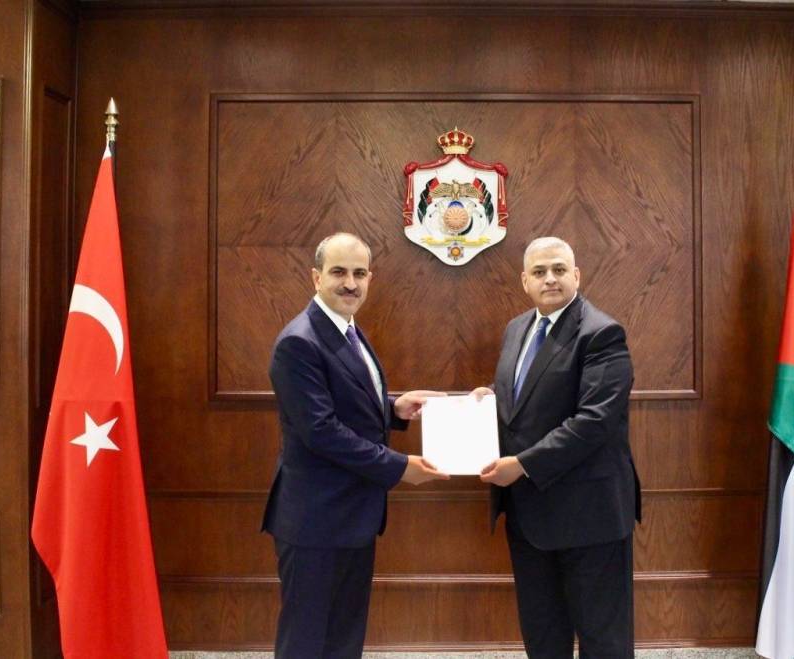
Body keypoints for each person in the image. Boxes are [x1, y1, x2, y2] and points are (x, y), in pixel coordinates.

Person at [262, 232, 448, 658]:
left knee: (343, 638)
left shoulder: (346, 328)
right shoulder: (299, 341)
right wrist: (399, 467)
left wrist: (394, 408)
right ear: (316, 277)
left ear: (370, 278)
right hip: (315, 519)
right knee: (307, 641)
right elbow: (321, 430)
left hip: (350, 514)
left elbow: (347, 402)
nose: (350, 283)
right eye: (339, 272)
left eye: (359, 274)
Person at [473, 236, 641, 659]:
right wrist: (491, 399)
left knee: (603, 639)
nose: (550, 278)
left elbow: (594, 421)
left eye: (559, 270)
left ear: (576, 275)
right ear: (525, 281)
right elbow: (528, 396)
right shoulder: (517, 328)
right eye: (540, 272)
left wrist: (523, 464)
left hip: (590, 515)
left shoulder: (601, 333)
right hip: (529, 514)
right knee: (543, 634)